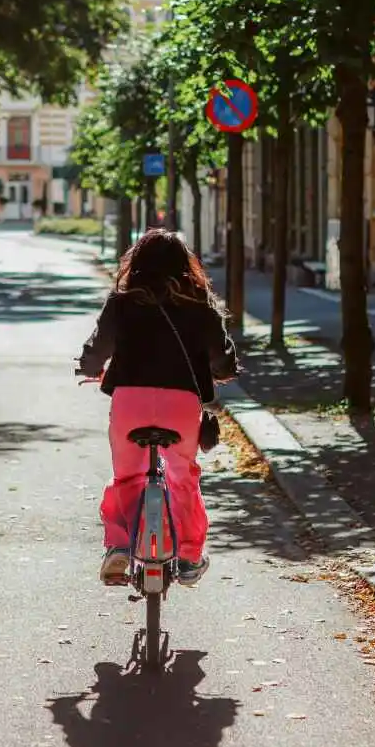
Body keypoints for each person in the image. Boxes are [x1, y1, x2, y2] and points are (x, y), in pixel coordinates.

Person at [77, 229, 240, 588]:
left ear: (135, 263)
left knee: (127, 477)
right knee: (182, 478)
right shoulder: (199, 304)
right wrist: (225, 372)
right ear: (186, 264)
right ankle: (189, 556)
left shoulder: (121, 302)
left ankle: (118, 546)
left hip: (131, 401)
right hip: (180, 404)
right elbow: (223, 358)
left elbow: (98, 345)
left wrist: (90, 367)